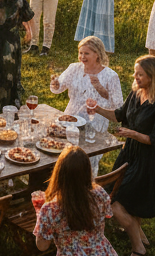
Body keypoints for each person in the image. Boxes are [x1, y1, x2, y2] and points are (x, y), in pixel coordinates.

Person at [88, 55, 155, 256]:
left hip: (147, 160)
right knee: (122, 197)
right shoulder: (135, 94)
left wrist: (132, 134)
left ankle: (138, 248)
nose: (135, 77)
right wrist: (97, 108)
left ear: (152, 76)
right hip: (128, 154)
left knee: (115, 202)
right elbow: (119, 115)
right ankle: (138, 233)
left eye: (140, 74)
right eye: (136, 73)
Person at [50, 36, 123, 175]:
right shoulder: (74, 68)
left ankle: (86, 180)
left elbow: (118, 105)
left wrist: (100, 89)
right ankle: (61, 176)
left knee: (85, 158)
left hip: (94, 120)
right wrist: (56, 84)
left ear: (97, 54)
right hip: (71, 116)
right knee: (61, 150)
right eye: (80, 53)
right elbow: (58, 87)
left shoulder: (110, 76)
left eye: (86, 53)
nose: (82, 57)